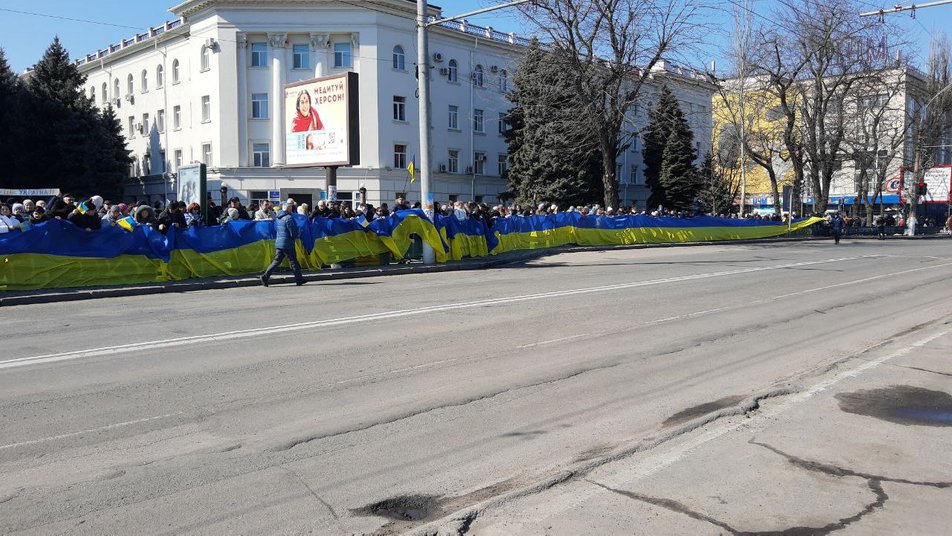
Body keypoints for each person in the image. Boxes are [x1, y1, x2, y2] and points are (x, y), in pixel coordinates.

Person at [261, 200, 305, 286]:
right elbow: (292, 232)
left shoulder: (279, 217)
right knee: (293, 262)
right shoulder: (289, 218)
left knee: (276, 261)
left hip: (279, 243)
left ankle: (265, 276)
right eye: (290, 208)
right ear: (288, 209)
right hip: (287, 243)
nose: (291, 209)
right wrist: (298, 233)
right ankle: (299, 280)